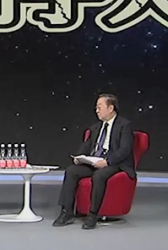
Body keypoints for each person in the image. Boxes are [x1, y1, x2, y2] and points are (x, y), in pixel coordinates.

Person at [53, 94, 135, 230]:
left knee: (99, 175)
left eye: (99, 107)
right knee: (71, 171)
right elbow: (87, 144)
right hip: (95, 161)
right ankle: (67, 212)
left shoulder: (124, 125)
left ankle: (92, 214)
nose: (97, 110)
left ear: (110, 108)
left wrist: (107, 161)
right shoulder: (96, 127)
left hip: (114, 163)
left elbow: (125, 149)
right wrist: (79, 156)